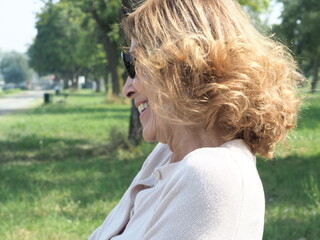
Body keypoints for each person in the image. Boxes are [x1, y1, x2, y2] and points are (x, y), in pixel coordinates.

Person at [89, 0, 304, 239]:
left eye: (133, 64)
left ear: (184, 65)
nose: (127, 89)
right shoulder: (166, 155)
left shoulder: (210, 174)